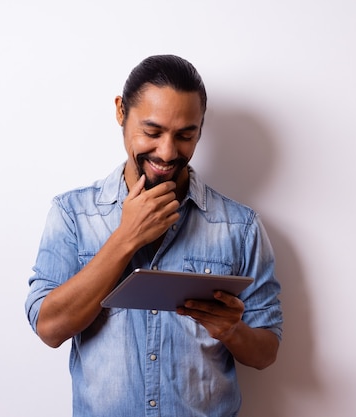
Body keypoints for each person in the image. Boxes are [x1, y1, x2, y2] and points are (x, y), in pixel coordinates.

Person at [25, 54, 283, 417]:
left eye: (185, 135)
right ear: (120, 111)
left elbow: (266, 351)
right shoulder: (72, 214)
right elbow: (49, 328)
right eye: (152, 131)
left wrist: (232, 331)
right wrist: (125, 237)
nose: (167, 152)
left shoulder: (240, 226)